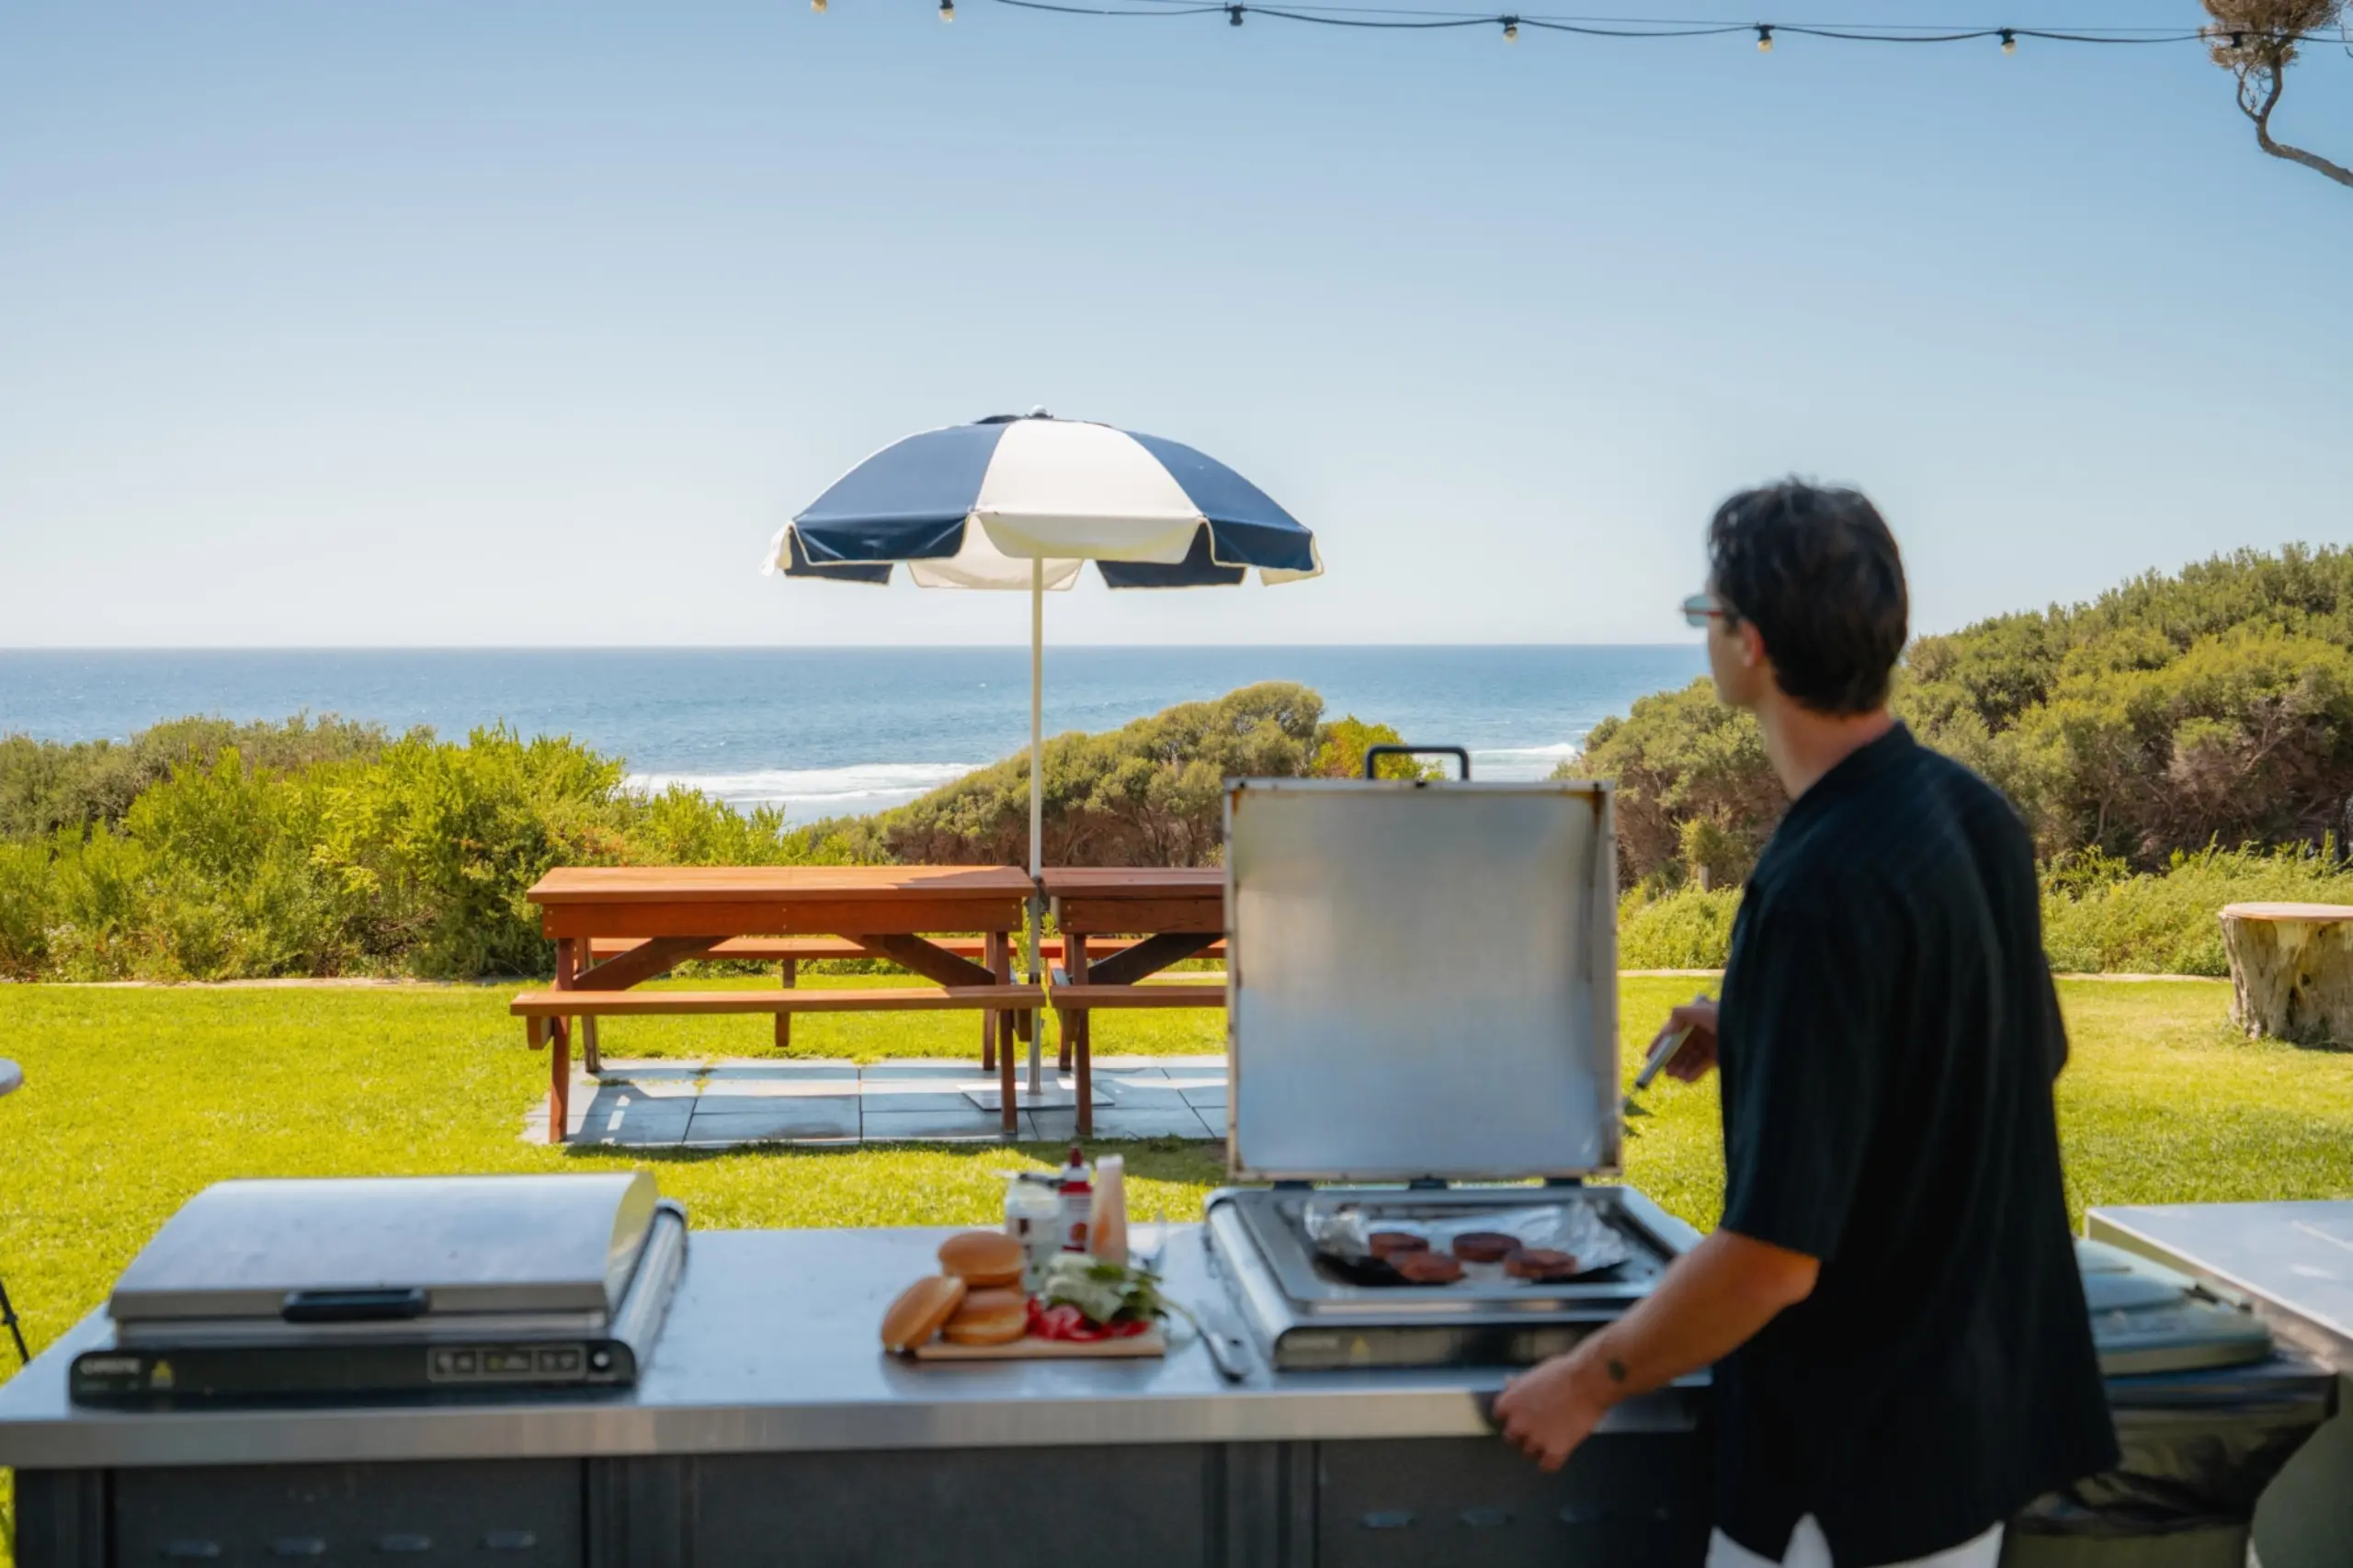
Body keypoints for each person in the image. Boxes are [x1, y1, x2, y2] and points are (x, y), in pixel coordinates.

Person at [1493, 481, 2116, 1568]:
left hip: (1850, 1475)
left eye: (1708, 612)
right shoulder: (1971, 813)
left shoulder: (1816, 882)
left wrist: (1580, 1382)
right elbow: (2007, 1053)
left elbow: (1771, 1260)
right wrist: (1770, 1027)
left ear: (1750, 643)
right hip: (1974, 1437)